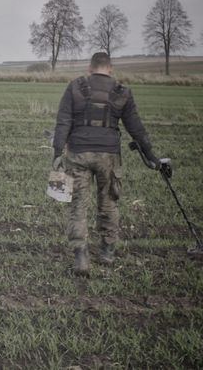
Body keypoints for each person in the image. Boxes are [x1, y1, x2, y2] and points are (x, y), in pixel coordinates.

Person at [52, 52, 161, 275]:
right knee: (109, 202)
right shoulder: (122, 92)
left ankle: (81, 255)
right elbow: (136, 128)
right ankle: (108, 251)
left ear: (90, 68)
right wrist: (150, 155)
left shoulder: (75, 86)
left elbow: (63, 121)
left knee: (78, 205)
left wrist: (56, 151)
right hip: (108, 156)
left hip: (78, 153)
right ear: (110, 68)